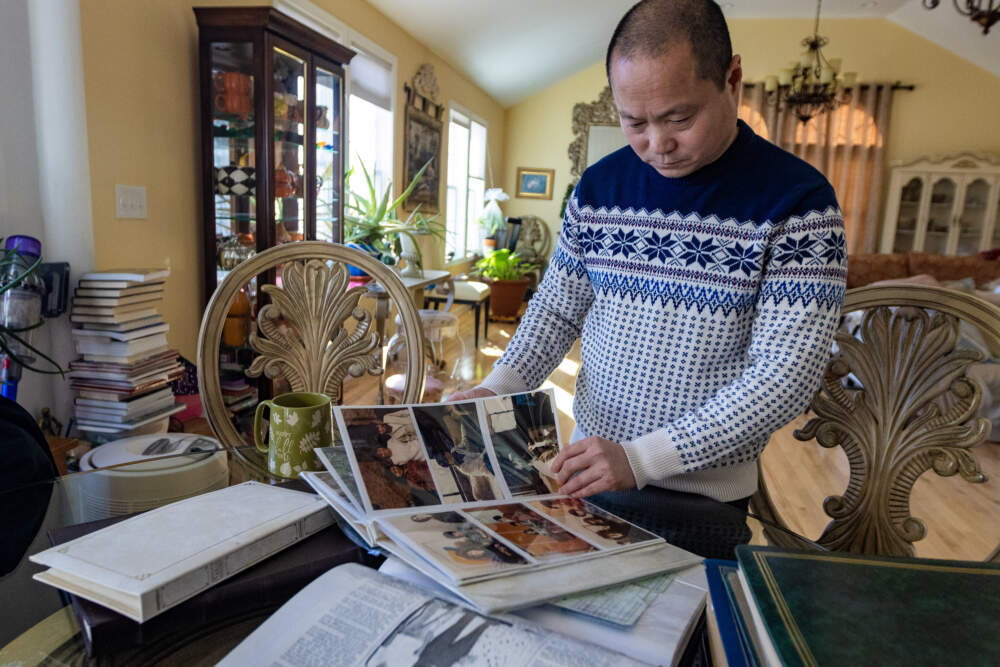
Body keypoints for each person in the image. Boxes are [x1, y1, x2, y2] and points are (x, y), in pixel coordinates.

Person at [450, 0, 846, 557]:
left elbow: (785, 377)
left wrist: (642, 459)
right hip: (587, 480)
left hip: (698, 505)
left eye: (679, 118)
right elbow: (557, 309)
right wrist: (496, 389)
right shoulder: (598, 188)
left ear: (732, 80)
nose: (656, 144)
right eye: (633, 122)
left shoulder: (797, 202)